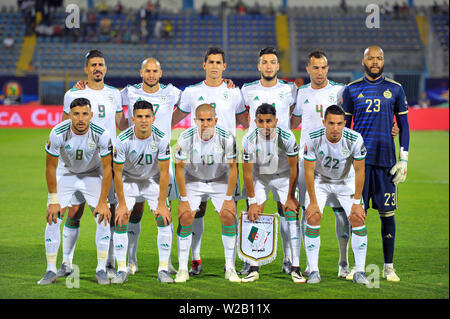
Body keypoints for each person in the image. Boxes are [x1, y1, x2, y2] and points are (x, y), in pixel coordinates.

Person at [171, 47, 247, 276]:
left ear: (224, 66)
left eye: (218, 62)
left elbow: (245, 120)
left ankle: (230, 264)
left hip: (224, 163)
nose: (214, 66)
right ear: (204, 65)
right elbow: (173, 117)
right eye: (210, 62)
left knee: (228, 211)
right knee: (194, 212)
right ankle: (194, 259)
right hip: (196, 163)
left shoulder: (234, 92)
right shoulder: (192, 92)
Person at [342, 46, 410, 282]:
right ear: (363, 61)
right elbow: (344, 128)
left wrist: (404, 159)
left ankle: (388, 267)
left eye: (379, 58)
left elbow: (404, 127)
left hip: (385, 163)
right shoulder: (351, 91)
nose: (375, 61)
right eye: (371, 58)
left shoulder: (396, 89)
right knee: (357, 215)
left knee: (387, 215)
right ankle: (356, 267)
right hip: (359, 164)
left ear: (383, 61)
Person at [58, 50, 127, 280]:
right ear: (86, 69)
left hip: (107, 162)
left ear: (105, 68)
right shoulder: (73, 94)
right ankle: (66, 263)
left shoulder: (114, 94)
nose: (98, 68)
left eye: (101, 64)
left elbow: (120, 123)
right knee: (74, 211)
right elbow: (64, 127)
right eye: (93, 65)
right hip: (80, 162)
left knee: (109, 211)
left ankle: (106, 263)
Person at [38, 97, 113, 285]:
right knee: (53, 216)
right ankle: (50, 270)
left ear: (91, 116)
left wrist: (103, 201)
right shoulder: (58, 132)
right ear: (69, 115)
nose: (81, 119)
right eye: (76, 114)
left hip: (92, 174)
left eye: (85, 114)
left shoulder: (101, 134)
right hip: (67, 174)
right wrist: (53, 199)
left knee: (103, 217)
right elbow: (50, 168)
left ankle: (101, 269)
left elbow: (107, 169)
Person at [290, 50, 351, 279]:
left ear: (328, 68)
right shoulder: (301, 93)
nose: (319, 72)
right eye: (315, 67)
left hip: (336, 163)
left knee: (342, 214)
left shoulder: (339, 91)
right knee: (309, 211)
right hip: (308, 161)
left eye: (323, 67)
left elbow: (352, 119)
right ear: (308, 69)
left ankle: (343, 261)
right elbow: (293, 122)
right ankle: (309, 264)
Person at [240, 46, 298, 276]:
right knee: (254, 209)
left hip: (282, 157)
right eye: (264, 62)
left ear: (277, 65)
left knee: (288, 210)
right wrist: (253, 136)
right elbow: (240, 114)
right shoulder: (247, 89)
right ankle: (250, 258)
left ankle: (289, 259)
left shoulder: (290, 89)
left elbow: (296, 115)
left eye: (272, 62)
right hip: (258, 159)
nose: (268, 66)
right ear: (259, 66)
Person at [119, 57, 180, 275]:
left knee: (165, 210)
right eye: (148, 71)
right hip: (134, 160)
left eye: (155, 71)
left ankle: (167, 262)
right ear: (141, 72)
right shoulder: (128, 92)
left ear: (160, 73)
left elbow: (189, 105)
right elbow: (109, 101)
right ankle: (132, 260)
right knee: (133, 210)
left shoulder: (172, 92)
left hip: (161, 158)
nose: (151, 74)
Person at [174, 104, 241, 283]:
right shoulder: (186, 137)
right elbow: (179, 168)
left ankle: (230, 267)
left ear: (215, 121)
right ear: (195, 120)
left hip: (219, 180)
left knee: (228, 215)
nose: (205, 124)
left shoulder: (226, 138)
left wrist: (228, 198)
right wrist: (183, 199)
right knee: (186, 215)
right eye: (201, 120)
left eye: (209, 120)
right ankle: (182, 269)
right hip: (194, 180)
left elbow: (233, 168)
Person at [303, 105, 369, 285]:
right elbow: (308, 171)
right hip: (320, 181)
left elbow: (360, 171)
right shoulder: (313, 137)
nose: (335, 128)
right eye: (331, 123)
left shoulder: (354, 138)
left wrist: (356, 202)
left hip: (345, 182)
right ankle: (314, 270)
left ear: (345, 123)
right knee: (313, 216)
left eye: (339, 124)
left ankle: (360, 271)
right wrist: (313, 202)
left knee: (358, 218)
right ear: (324, 122)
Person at [241, 103, 303, 283]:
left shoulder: (287, 137)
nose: (265, 125)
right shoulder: (249, 139)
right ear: (255, 121)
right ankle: (253, 266)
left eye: (269, 121)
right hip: (260, 177)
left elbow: (294, 168)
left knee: (291, 214)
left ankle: (294, 265)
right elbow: (246, 172)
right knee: (255, 215)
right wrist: (252, 201)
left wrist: (291, 197)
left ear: (276, 121)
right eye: (261, 121)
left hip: (284, 177)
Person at [113, 100, 173, 283]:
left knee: (163, 217)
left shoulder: (161, 138)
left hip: (152, 180)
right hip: (129, 181)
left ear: (153, 118)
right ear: (133, 119)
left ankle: (163, 269)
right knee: (122, 217)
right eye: (139, 116)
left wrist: (162, 204)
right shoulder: (122, 139)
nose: (144, 120)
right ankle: (122, 269)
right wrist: (122, 204)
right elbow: (117, 172)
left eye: (147, 116)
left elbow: (164, 173)